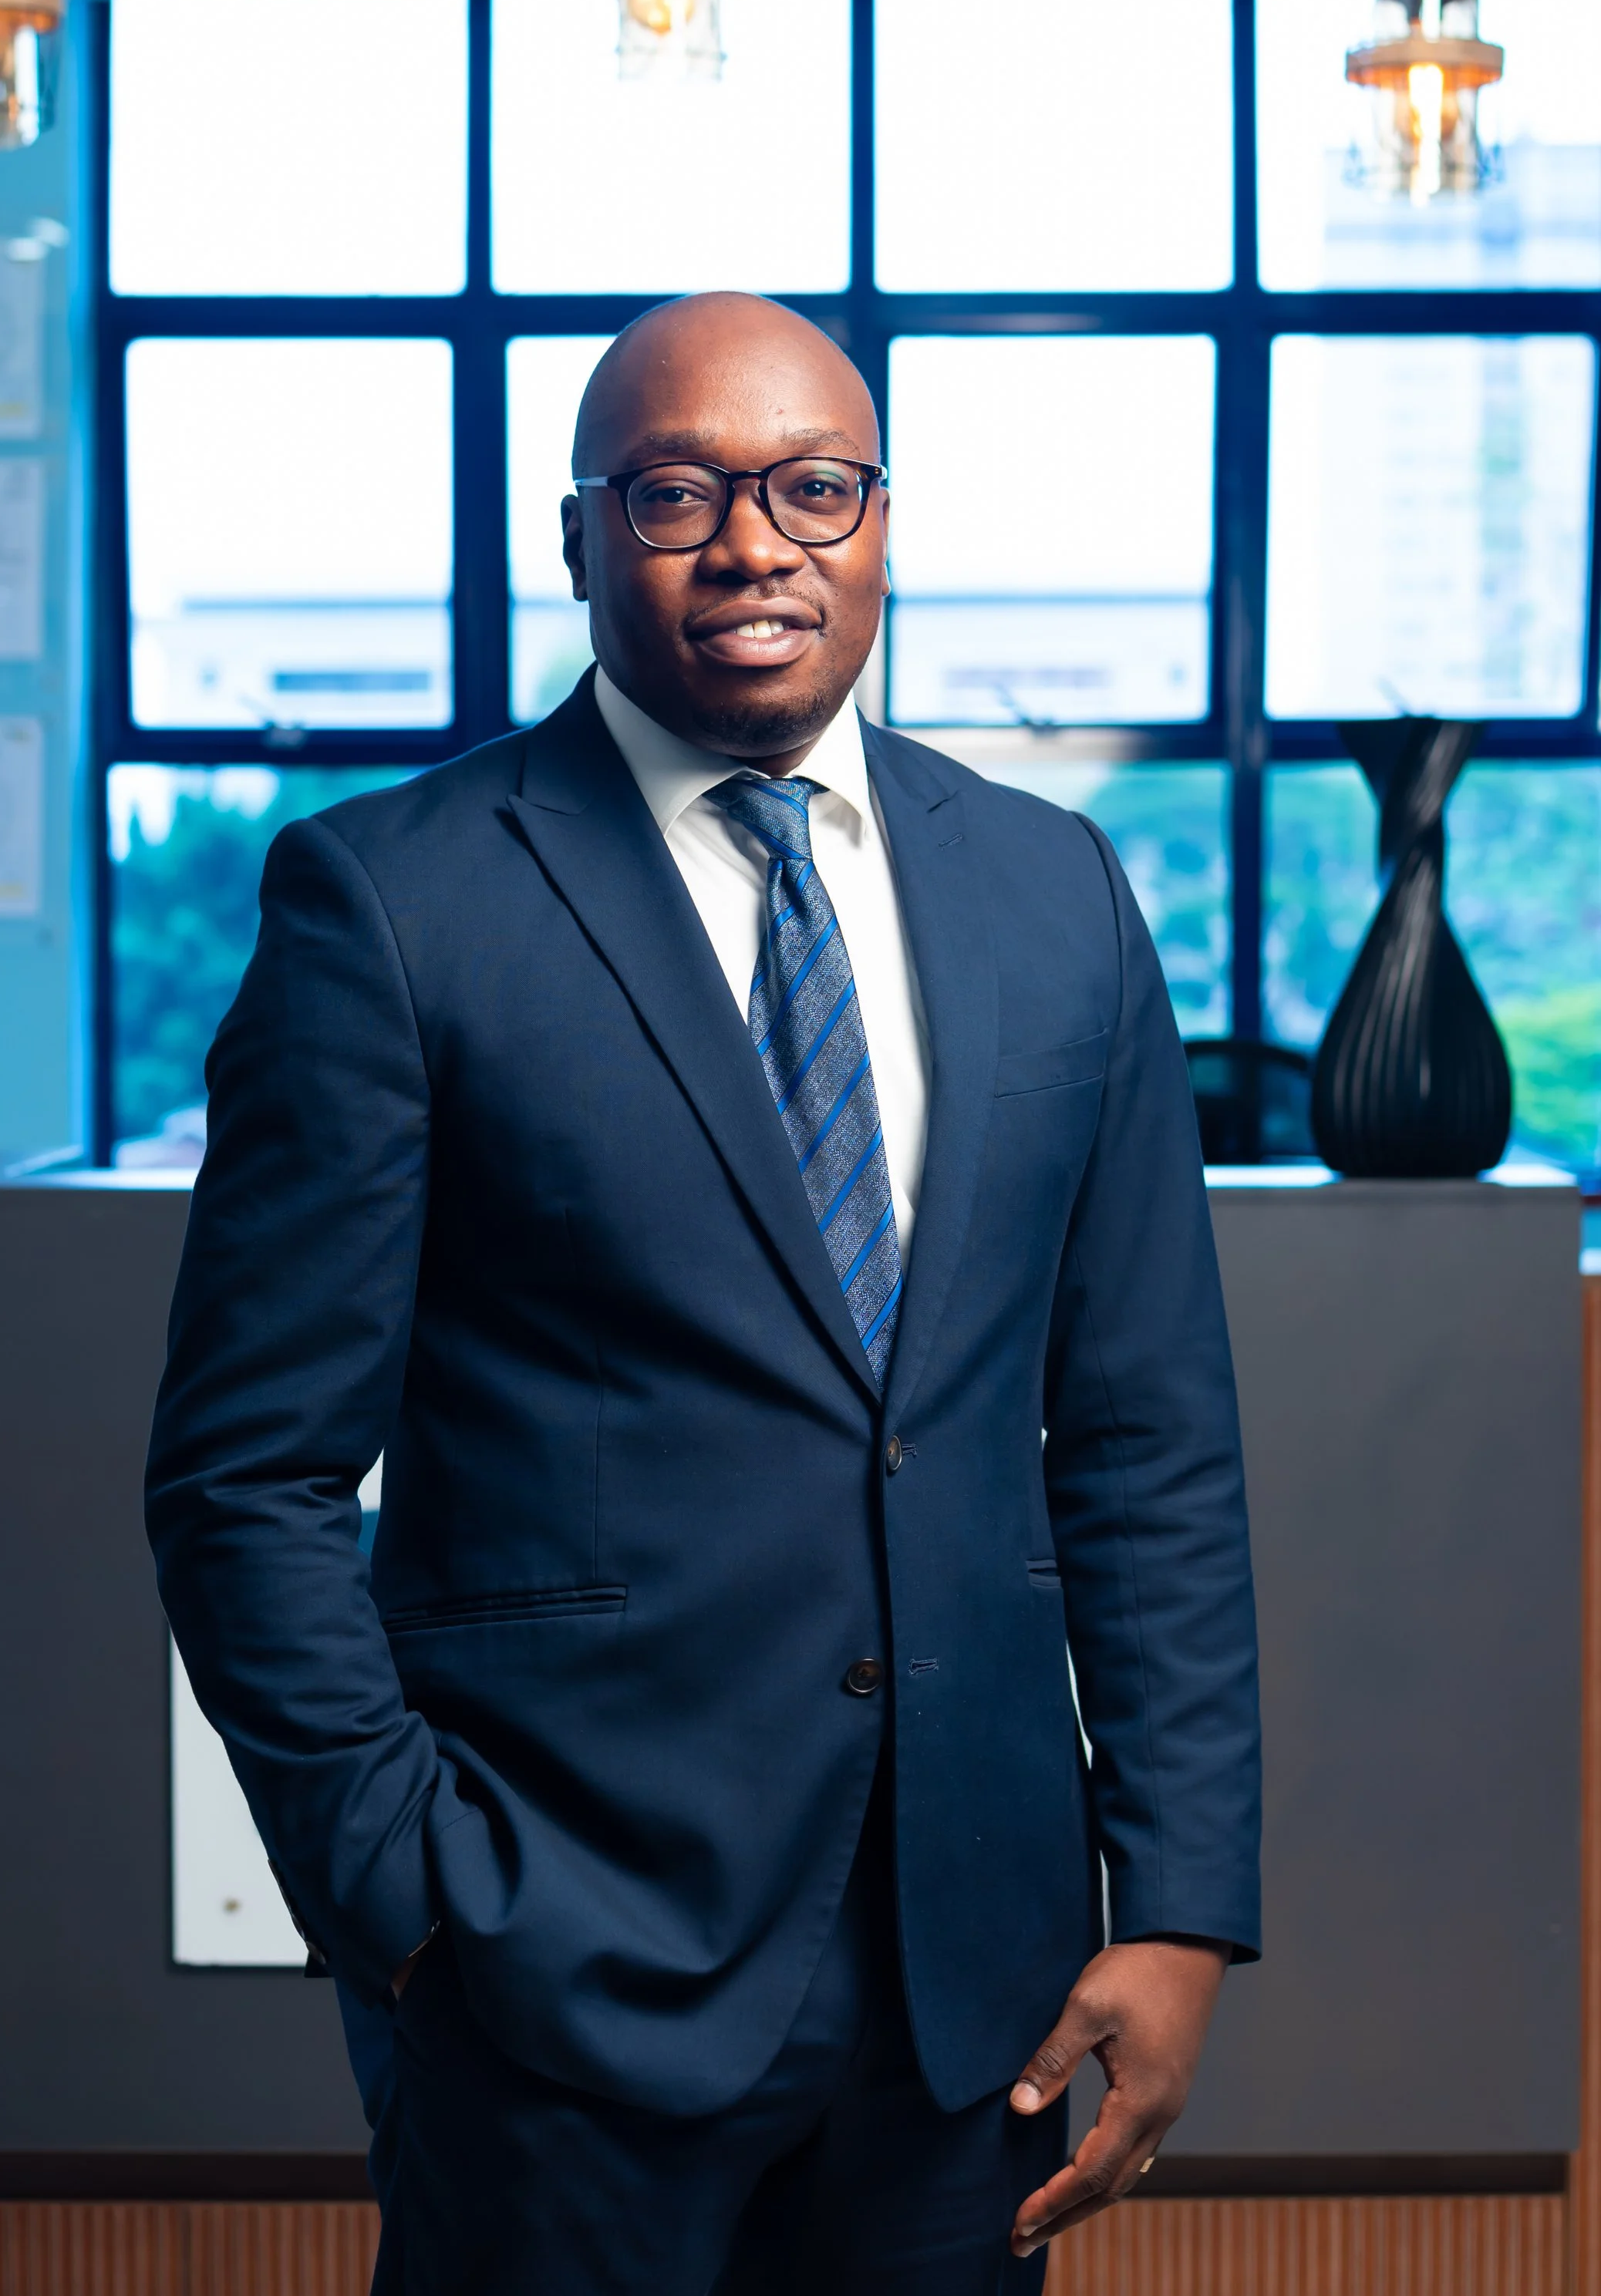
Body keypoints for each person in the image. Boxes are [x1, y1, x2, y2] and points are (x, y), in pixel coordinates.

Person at [146, 292, 1260, 2294]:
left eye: (810, 489)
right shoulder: (390, 902)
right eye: (675, 493)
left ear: (881, 523)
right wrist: (401, 1889)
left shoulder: (1051, 890)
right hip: (552, 1960)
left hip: (971, 1980)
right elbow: (246, 1478)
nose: (755, 544)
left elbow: (1146, 1436)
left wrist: (1174, 1904)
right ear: (577, 538)